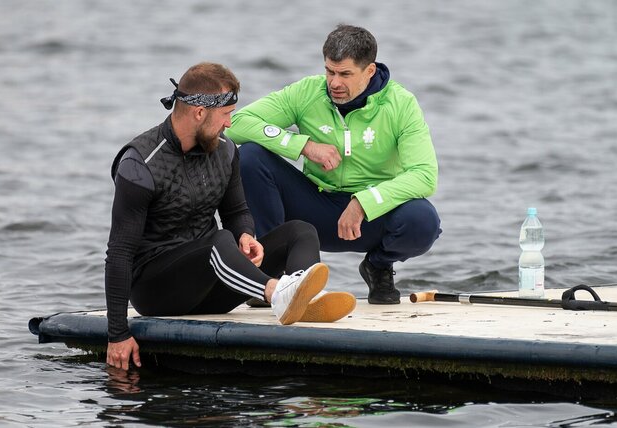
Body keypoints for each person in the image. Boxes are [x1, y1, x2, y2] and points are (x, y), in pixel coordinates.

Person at [104, 62, 356, 371]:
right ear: (199, 112)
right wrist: (117, 333)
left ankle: (299, 302)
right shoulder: (140, 163)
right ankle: (278, 294)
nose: (229, 124)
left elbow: (236, 212)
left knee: (300, 232)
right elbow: (119, 253)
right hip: (156, 292)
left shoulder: (225, 150)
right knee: (218, 240)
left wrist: (246, 234)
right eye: (226, 115)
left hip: (209, 284)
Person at [225, 25, 442, 305]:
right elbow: (236, 124)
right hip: (313, 209)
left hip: (368, 219)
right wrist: (303, 146)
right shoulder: (307, 92)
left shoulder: (401, 104)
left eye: (345, 74)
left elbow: (425, 176)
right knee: (251, 156)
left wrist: (363, 202)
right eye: (330, 72)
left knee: (423, 219)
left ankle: (378, 266)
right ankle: (271, 275)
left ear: (370, 72)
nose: (334, 83)